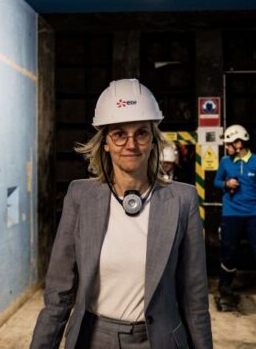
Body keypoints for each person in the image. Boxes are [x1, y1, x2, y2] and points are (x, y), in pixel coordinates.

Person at [31, 79, 212, 349]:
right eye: (119, 134)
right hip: (94, 339)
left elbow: (194, 296)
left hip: (159, 340)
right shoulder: (80, 197)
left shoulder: (182, 200)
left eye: (141, 133)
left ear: (153, 140)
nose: (131, 144)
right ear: (104, 141)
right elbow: (59, 293)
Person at [213, 124, 256, 310]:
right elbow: (216, 181)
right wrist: (226, 183)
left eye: (228, 144)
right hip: (231, 214)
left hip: (254, 214)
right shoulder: (226, 162)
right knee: (229, 250)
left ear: (238, 143)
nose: (226, 148)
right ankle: (225, 285)